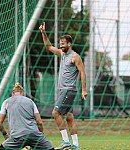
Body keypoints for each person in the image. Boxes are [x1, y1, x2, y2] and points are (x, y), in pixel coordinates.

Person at [39, 22, 87, 150]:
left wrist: (83, 89)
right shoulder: (62, 54)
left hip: (68, 90)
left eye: (63, 43)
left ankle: (65, 141)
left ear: (69, 44)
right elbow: (49, 47)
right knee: (69, 117)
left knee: (55, 113)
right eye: (60, 43)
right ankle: (76, 145)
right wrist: (43, 33)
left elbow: (82, 72)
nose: (61, 45)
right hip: (63, 91)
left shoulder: (75, 57)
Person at [0, 82, 54, 150]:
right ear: (23, 93)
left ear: (12, 94)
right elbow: (39, 122)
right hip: (34, 135)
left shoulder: (6, 102)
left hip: (17, 137)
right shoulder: (31, 101)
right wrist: (40, 136)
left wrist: (5, 136)